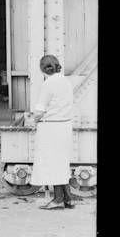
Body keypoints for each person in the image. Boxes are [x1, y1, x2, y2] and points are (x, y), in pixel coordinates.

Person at [31, 54, 74, 209]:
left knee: (53, 163)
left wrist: (32, 119)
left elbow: (40, 110)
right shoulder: (66, 81)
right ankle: (68, 199)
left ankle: (57, 200)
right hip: (65, 126)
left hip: (51, 127)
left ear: (43, 69)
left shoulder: (48, 84)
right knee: (62, 162)